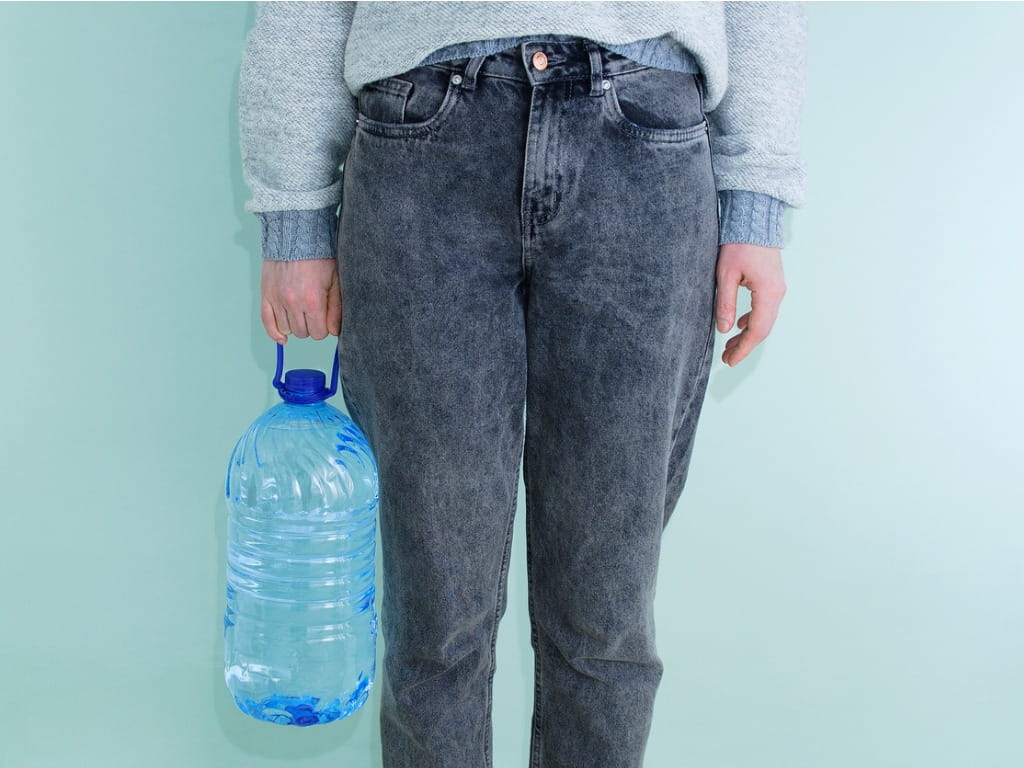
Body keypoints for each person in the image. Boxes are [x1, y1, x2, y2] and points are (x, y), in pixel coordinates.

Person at [239, 2, 807, 766]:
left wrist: (757, 203)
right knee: (434, 623)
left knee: (605, 622)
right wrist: (296, 214)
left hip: (645, 139)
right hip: (421, 141)